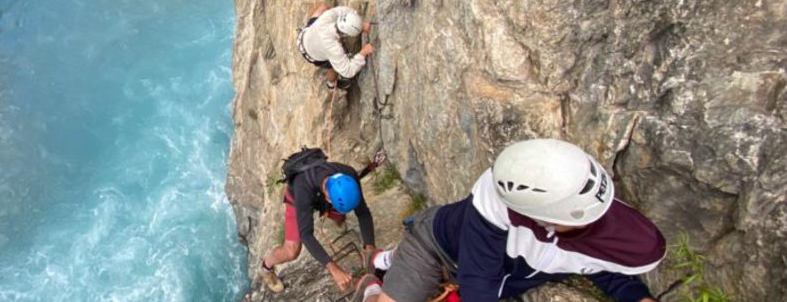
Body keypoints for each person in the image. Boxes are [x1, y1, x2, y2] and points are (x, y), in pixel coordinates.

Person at [359, 139, 667, 302]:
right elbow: (478, 282)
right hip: (433, 246)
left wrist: (636, 296)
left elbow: (591, 262)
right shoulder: (495, 207)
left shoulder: (583, 204)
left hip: (465, 262)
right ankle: (372, 283)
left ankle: (384, 260)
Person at [259, 154, 376, 293]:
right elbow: (306, 235)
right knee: (292, 251)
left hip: (321, 193)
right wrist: (334, 269)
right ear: (329, 200)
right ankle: (266, 267)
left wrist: (370, 250)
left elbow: (363, 212)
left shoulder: (349, 174)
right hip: (297, 199)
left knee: (340, 218)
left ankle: (338, 219)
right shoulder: (302, 189)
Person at [298, 4, 373, 88]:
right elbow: (348, 70)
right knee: (334, 68)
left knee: (323, 7)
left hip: (306, 34)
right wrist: (363, 52)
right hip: (310, 52)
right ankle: (331, 83)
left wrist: (360, 25)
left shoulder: (328, 16)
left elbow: (345, 11)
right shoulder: (333, 48)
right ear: (345, 34)